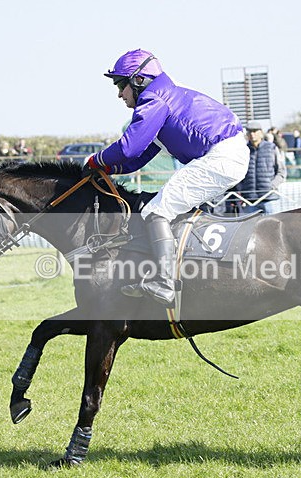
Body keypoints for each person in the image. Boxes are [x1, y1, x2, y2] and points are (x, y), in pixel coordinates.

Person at [82, 49, 248, 306]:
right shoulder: (162, 95)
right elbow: (137, 157)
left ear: (138, 80)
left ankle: (164, 283)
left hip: (221, 156)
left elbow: (128, 147)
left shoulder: (154, 99)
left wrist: (96, 160)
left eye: (120, 85)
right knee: (164, 208)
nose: (119, 94)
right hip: (227, 153)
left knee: (156, 211)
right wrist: (109, 169)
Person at [233, 121, 286, 214]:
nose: (252, 134)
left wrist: (272, 186)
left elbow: (281, 172)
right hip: (249, 200)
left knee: (273, 227)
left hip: (269, 199)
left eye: (255, 131)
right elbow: (237, 173)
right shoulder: (243, 151)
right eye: (249, 131)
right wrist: (242, 188)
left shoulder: (272, 148)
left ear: (261, 133)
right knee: (250, 228)